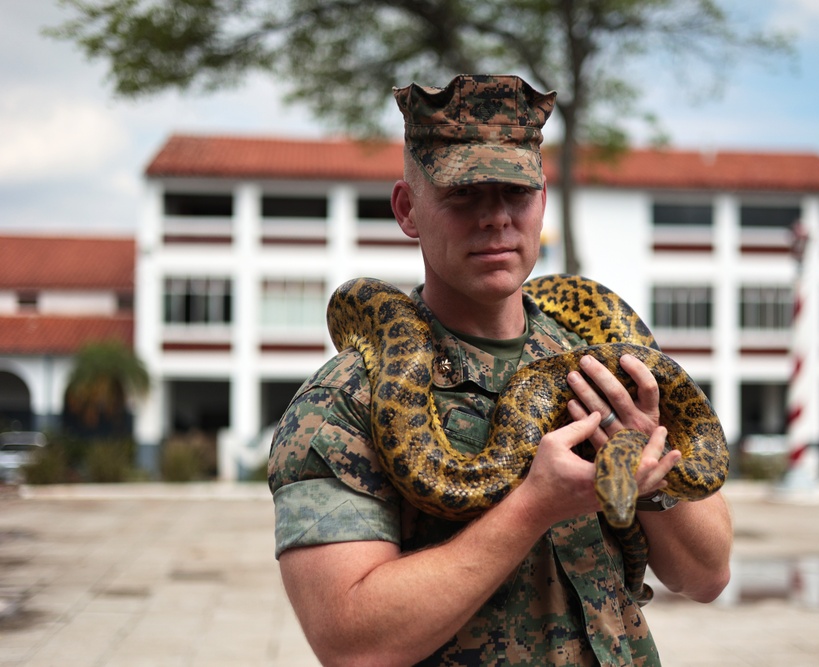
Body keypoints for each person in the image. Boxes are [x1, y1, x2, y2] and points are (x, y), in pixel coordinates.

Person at [268, 74, 732, 667]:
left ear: (542, 202)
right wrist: (536, 505)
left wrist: (645, 452)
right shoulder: (342, 403)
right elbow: (353, 643)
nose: (495, 219)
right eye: (464, 195)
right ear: (408, 210)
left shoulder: (610, 372)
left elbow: (707, 576)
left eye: (514, 193)